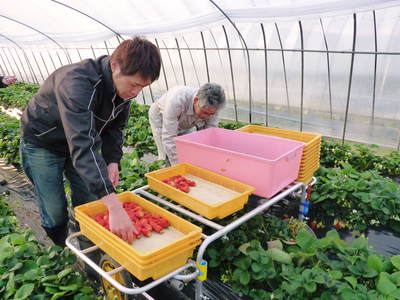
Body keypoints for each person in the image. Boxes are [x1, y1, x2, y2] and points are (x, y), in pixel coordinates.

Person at [20, 37, 161, 247]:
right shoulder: (76, 82)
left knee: (88, 198)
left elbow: (114, 127)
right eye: (134, 84)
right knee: (55, 208)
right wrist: (114, 206)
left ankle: (89, 245)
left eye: (142, 87)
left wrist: (112, 161)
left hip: (77, 144)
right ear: (115, 66)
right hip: (43, 143)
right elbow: (83, 143)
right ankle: (60, 245)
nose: (135, 92)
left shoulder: (123, 90)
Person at [149, 83, 226, 165]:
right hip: (160, 117)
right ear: (196, 101)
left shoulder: (213, 107)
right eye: (205, 113)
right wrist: (178, 166)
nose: (207, 117)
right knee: (164, 155)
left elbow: (210, 133)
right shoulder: (176, 101)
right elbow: (169, 137)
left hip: (185, 120)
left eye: (211, 114)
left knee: (186, 150)